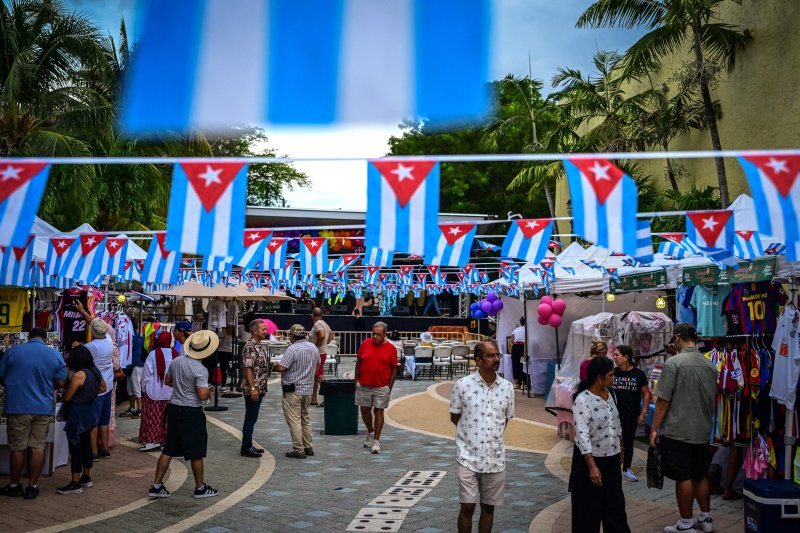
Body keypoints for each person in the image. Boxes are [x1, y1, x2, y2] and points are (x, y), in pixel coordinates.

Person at [650, 324, 718, 533]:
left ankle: (686, 523)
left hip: (678, 429)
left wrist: (654, 428)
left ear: (677, 339)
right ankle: (706, 519)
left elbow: (662, 402)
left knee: (684, 477)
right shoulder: (709, 365)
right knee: (700, 475)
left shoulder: (674, 363)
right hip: (702, 429)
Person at [449, 340, 514, 533]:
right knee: (467, 506)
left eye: (497, 355)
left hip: (495, 457)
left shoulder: (507, 388)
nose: (496, 360)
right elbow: (455, 416)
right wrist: (471, 434)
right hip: (468, 455)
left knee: (488, 507)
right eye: (490, 356)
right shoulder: (462, 385)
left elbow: (505, 420)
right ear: (478, 360)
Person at [148, 330, 219, 499]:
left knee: (169, 448)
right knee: (196, 451)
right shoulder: (200, 370)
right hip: (191, 411)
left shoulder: (176, 361)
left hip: (174, 408)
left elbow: (168, 381)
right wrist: (209, 392)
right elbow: (202, 395)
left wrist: (182, 387)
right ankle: (200, 488)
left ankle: (156, 485)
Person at [0, 327, 67, 499]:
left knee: (17, 447)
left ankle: (15, 485)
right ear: (45, 339)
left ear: (28, 337)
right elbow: (60, 382)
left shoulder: (13, 352)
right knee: (38, 446)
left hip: (18, 406)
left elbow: (1, 376)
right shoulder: (55, 355)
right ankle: (32, 486)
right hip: (43, 408)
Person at [570, 357, 631, 533]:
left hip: (611, 458)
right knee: (588, 509)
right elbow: (582, 435)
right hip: (591, 461)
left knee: (615, 504)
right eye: (611, 375)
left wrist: (621, 448)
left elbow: (616, 423)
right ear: (599, 377)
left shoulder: (611, 394)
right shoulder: (582, 400)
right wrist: (592, 466)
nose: (614, 378)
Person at [57, 345, 106, 495]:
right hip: (90, 411)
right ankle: (86, 477)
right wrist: (89, 394)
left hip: (78, 413)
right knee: (86, 446)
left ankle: (75, 482)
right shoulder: (95, 371)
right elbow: (103, 388)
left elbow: (67, 397)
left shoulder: (79, 375)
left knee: (76, 447)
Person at [272, 324, 320, 459]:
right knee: (305, 418)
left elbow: (282, 368)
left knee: (294, 420)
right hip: (307, 389)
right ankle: (308, 446)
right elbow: (318, 364)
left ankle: (298, 449)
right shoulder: (313, 347)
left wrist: (275, 366)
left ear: (292, 337)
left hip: (293, 390)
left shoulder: (292, 349)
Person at [355, 322, 397, 454]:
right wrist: (356, 380)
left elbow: (394, 369)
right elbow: (359, 362)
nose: (375, 336)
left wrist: (389, 387)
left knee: (379, 412)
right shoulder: (365, 344)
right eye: (373, 333)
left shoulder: (391, 348)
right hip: (364, 384)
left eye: (378, 334)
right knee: (365, 411)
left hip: (382, 386)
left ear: (385, 334)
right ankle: (370, 432)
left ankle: (376, 440)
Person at [612, 344, 651, 482]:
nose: (614, 357)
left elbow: (646, 394)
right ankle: (612, 468)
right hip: (613, 413)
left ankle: (626, 468)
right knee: (613, 439)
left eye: (617, 355)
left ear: (626, 357)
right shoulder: (613, 372)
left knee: (628, 441)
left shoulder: (638, 374)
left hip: (631, 412)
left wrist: (644, 412)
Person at [138, 331, 177, 452]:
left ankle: (152, 440)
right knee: (168, 419)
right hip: (171, 393)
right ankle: (167, 440)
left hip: (154, 391)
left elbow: (146, 374)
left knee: (154, 417)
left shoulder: (153, 354)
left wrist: (144, 388)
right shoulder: (176, 354)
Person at [83, 317, 115, 459]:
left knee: (93, 420)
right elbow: (97, 325)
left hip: (96, 387)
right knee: (104, 419)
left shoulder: (91, 347)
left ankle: (93, 451)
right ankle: (105, 448)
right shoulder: (109, 340)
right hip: (107, 385)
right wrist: (84, 312)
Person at [240, 319, 269, 458]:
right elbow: (248, 369)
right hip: (253, 388)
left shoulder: (258, 345)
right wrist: (253, 388)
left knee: (253, 417)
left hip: (260, 387)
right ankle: (245, 447)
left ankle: (248, 444)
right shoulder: (250, 346)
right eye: (263, 329)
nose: (266, 331)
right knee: (250, 418)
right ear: (255, 331)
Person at [309, 307, 332, 407]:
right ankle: (313, 399)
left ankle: (330, 394)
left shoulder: (317, 324)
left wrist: (316, 346)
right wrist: (325, 344)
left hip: (317, 353)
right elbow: (331, 335)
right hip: (322, 352)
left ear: (312, 316)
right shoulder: (325, 323)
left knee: (318, 375)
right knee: (315, 376)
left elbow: (321, 335)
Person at [120, 331, 145, 419]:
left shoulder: (136, 339)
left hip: (135, 366)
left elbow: (136, 355)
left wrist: (128, 368)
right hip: (132, 366)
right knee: (130, 388)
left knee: (136, 388)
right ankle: (132, 409)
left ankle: (140, 410)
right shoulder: (133, 337)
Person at [511, 317, 526, 389]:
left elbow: (512, 340)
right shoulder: (527, 330)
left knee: (515, 364)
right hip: (523, 347)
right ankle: (523, 384)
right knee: (523, 365)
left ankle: (516, 383)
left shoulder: (515, 330)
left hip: (515, 347)